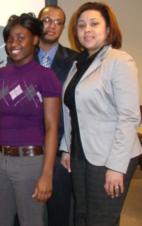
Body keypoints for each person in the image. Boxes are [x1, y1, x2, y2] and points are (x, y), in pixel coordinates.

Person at [60, 2, 142, 226]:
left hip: (110, 155)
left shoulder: (119, 61)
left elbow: (129, 117)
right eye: (81, 25)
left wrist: (116, 167)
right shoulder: (78, 64)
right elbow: (72, 110)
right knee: (82, 215)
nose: (87, 29)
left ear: (108, 29)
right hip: (80, 154)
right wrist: (67, 147)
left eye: (94, 24)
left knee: (101, 220)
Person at [0, 13, 61, 226]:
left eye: (20, 37)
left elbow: (52, 127)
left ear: (35, 39)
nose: (13, 44)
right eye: (9, 39)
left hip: (31, 164)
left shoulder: (46, 77)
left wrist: (47, 174)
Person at [37, 5, 78, 226]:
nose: (52, 25)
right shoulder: (21, 55)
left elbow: (75, 109)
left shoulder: (76, 60)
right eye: (47, 20)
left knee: (59, 214)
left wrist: (68, 147)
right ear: (38, 22)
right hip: (26, 151)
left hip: (61, 151)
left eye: (58, 22)